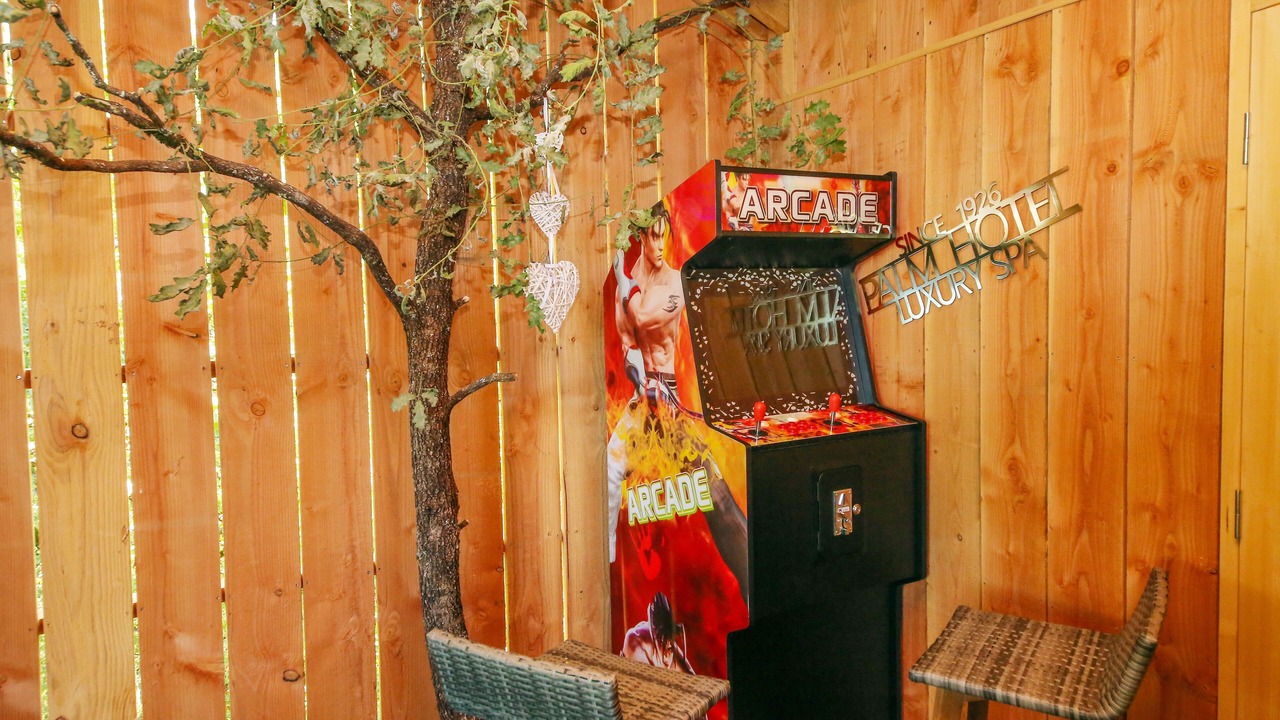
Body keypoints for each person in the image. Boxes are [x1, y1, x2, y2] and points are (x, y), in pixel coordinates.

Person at [607, 204, 749, 602]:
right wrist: (638, 379)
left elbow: (645, 316)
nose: (659, 244)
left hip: (671, 403)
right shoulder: (629, 284)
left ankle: (753, 580)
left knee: (716, 497)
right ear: (640, 237)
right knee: (609, 469)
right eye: (652, 235)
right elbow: (629, 348)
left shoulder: (675, 283)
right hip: (644, 400)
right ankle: (610, 558)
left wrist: (622, 283)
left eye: (663, 234)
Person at [620, 592, 695, 675]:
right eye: (665, 641)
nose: (669, 646)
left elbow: (690, 677)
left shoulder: (669, 645)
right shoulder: (636, 640)